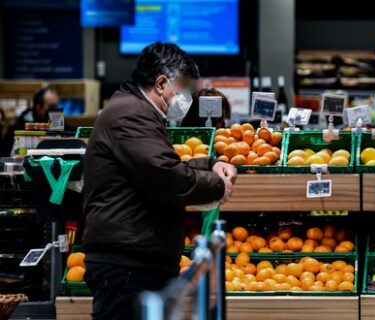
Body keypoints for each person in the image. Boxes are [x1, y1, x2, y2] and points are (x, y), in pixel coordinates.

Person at [82, 42, 237, 320]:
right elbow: (167, 178)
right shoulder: (131, 114)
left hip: (135, 260)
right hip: (127, 267)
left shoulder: (135, 111)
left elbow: (163, 166)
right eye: (184, 88)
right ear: (161, 83)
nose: (186, 96)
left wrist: (211, 163)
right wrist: (217, 184)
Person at [0, 87, 60, 156]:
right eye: (52, 106)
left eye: (57, 106)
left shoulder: (56, 121)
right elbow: (5, 155)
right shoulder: (19, 126)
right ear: (39, 107)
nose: (56, 110)